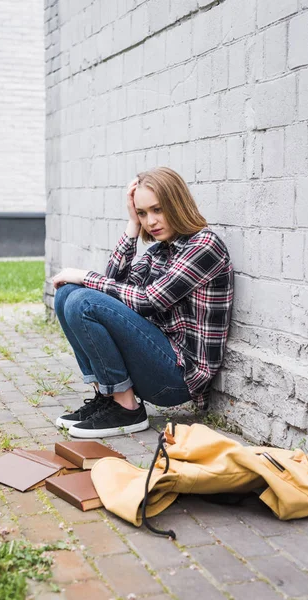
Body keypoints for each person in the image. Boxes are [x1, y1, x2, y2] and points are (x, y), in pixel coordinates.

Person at [53, 167, 233, 438]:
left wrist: (84, 275)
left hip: (179, 377)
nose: (151, 221)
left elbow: (148, 301)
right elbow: (113, 285)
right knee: (67, 294)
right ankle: (109, 397)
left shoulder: (204, 246)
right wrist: (132, 227)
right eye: (142, 213)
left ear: (177, 203)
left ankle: (126, 409)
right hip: (157, 359)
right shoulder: (159, 251)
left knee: (83, 299)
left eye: (157, 210)